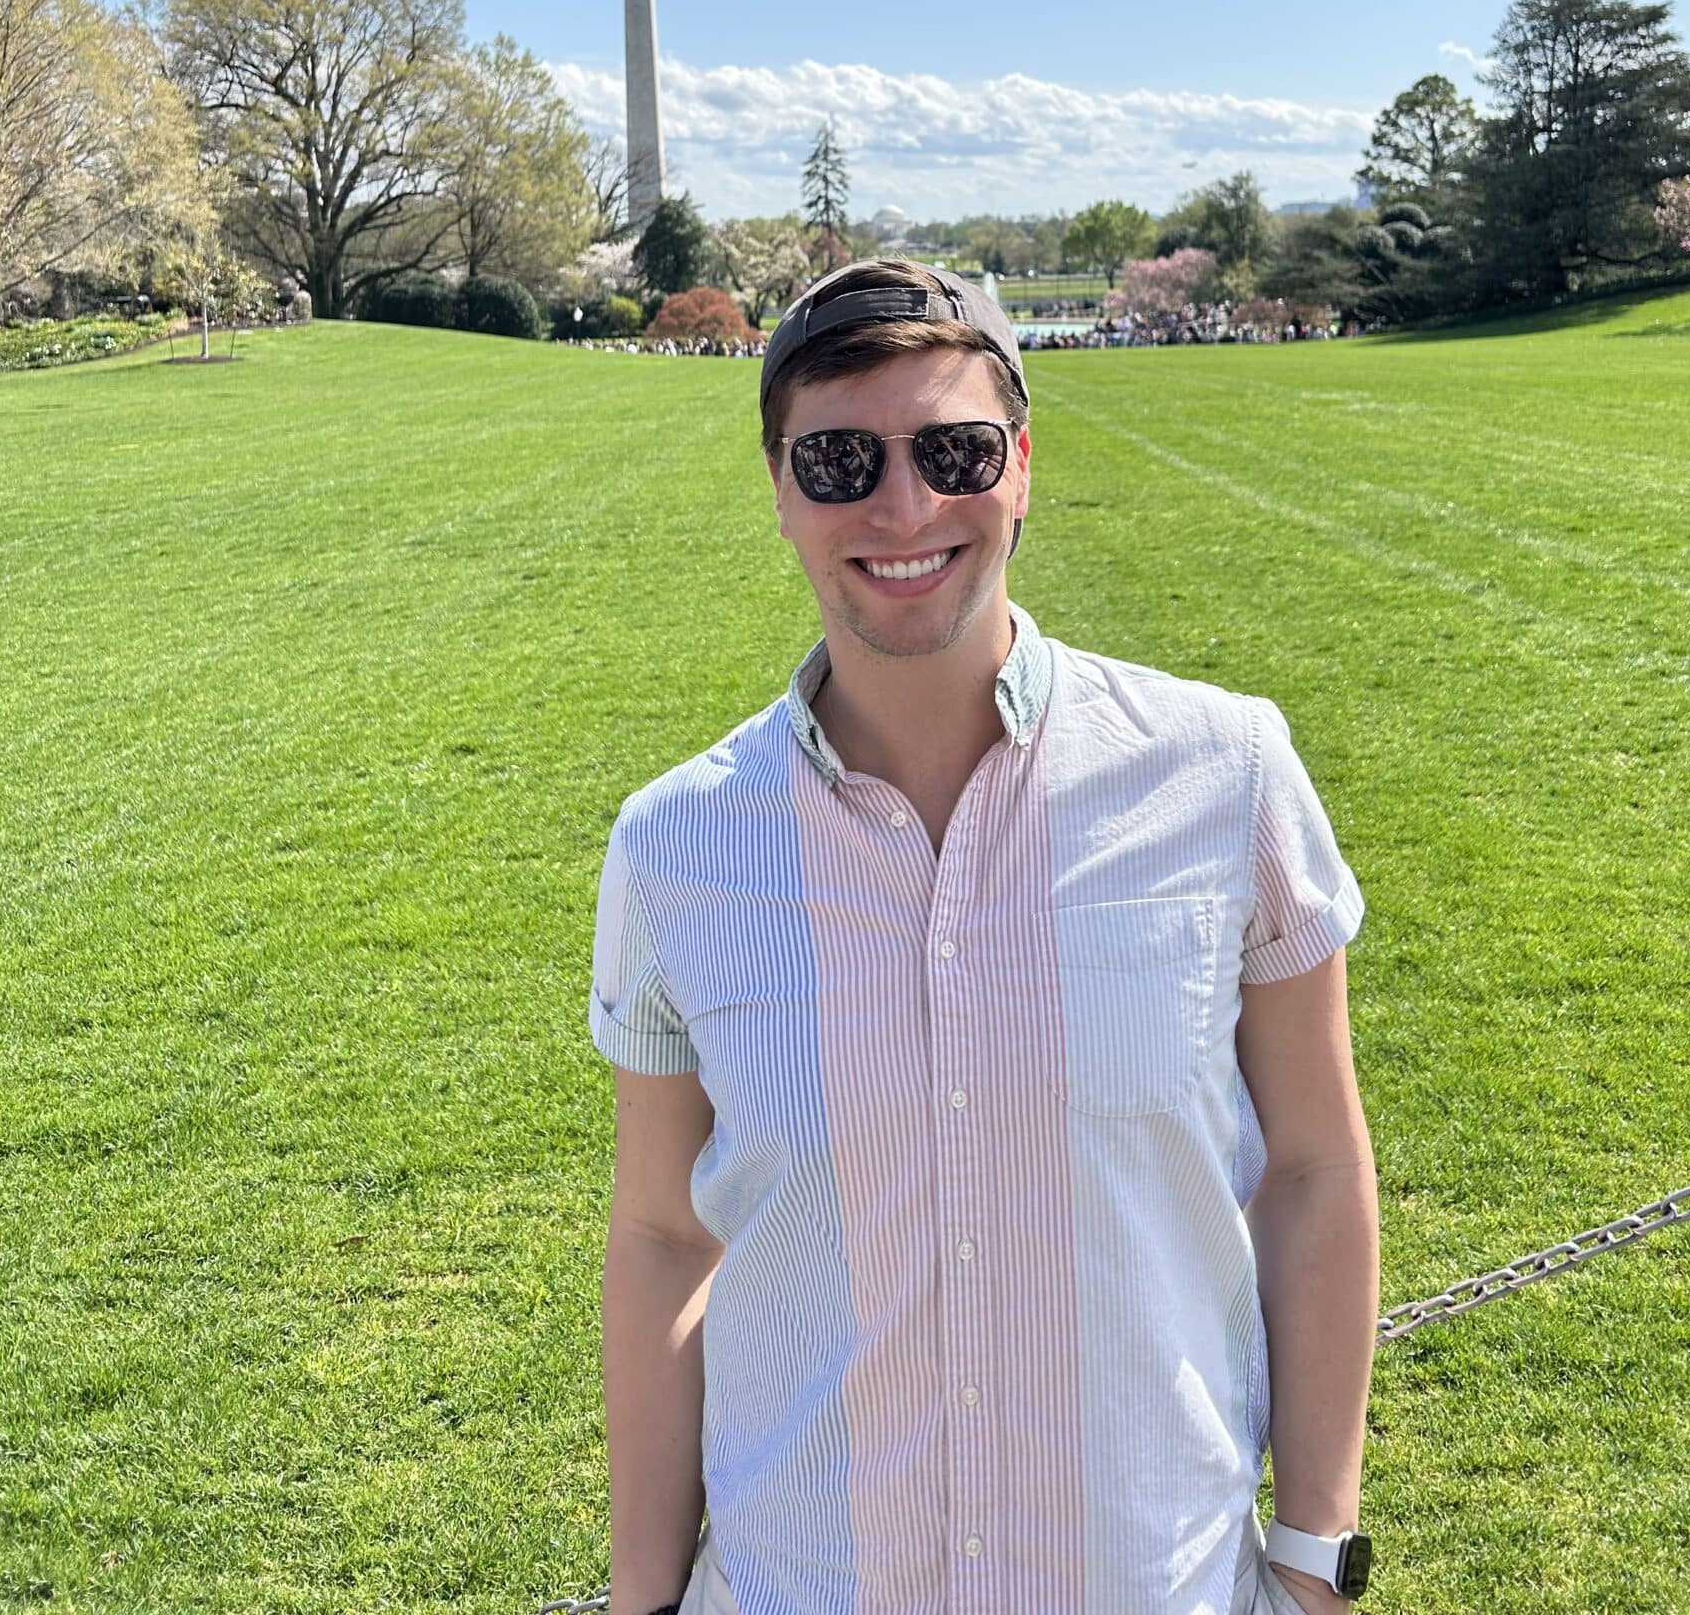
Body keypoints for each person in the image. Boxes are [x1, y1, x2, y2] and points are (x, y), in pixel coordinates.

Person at [590, 259, 1378, 1615]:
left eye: (951, 451)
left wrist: (1312, 1555)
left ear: (1019, 466)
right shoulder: (675, 848)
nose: (904, 507)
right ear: (779, 491)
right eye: (840, 461)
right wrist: (643, 1598)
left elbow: (1311, 1167)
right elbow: (665, 1236)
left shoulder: (1226, 772)